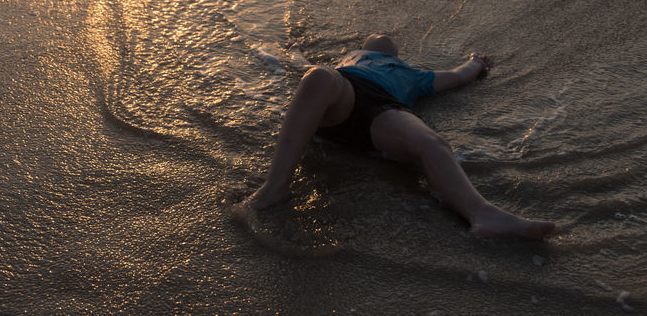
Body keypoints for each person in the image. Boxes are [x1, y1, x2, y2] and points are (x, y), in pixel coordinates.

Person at [238, 33, 555, 240]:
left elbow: (457, 76)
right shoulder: (347, 60)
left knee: (431, 143)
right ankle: (275, 186)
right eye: (374, 41)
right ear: (361, 49)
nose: (382, 42)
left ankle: (482, 213)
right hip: (342, 93)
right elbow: (303, 67)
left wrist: (475, 63)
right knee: (318, 75)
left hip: (381, 109)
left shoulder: (414, 75)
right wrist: (293, 49)